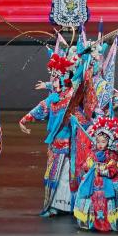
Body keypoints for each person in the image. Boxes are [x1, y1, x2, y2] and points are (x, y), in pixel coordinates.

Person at [19, 52, 88, 216]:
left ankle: (71, 206)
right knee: (54, 176)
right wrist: (23, 120)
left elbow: (81, 118)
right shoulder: (53, 99)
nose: (54, 82)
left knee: (68, 176)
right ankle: (54, 205)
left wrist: (76, 121)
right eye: (53, 79)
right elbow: (40, 108)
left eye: (56, 79)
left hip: (70, 146)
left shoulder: (72, 97)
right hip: (55, 145)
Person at [73, 116, 118, 233]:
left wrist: (99, 170)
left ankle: (108, 223)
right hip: (94, 184)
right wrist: (89, 166)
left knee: (106, 204)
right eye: (98, 141)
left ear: (109, 142)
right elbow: (85, 165)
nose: (100, 144)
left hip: (106, 184)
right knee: (93, 203)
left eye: (103, 142)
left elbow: (113, 170)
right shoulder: (93, 153)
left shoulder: (111, 155)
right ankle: (93, 223)